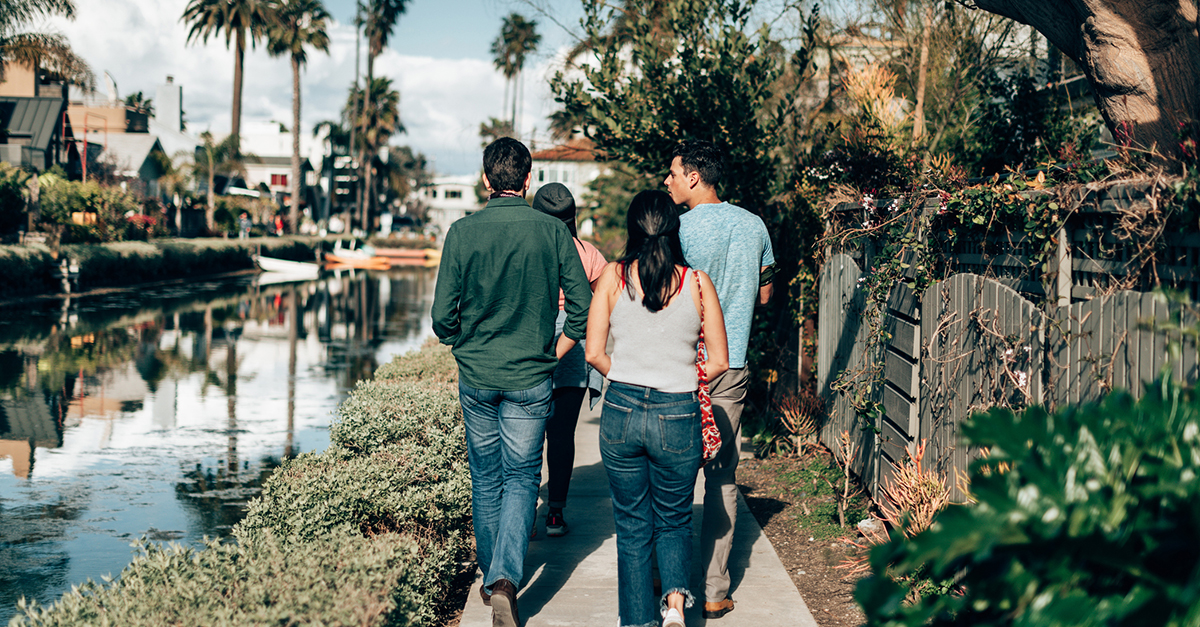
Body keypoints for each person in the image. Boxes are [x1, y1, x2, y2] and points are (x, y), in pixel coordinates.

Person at [432, 138, 593, 627]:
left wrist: (466, 343)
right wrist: (554, 354)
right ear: (528, 180)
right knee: (523, 476)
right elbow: (582, 310)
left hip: (478, 376)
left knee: (485, 476)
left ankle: (491, 576)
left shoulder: (461, 232)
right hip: (532, 376)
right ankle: (506, 578)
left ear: (486, 180)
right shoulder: (552, 233)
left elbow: (442, 320)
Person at [585, 190, 729, 627]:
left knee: (632, 528)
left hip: (622, 410)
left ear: (633, 229)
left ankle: (636, 622)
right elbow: (720, 361)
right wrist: (681, 381)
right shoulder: (697, 282)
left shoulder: (613, 276)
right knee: (674, 520)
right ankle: (674, 611)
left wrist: (628, 373)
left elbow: (593, 353)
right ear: (674, 228)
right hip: (677, 412)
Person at [664, 139, 775, 620]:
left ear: (693, 176)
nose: (666, 181)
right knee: (722, 476)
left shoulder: (675, 228)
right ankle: (713, 590)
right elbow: (766, 296)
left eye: (671, 173)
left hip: (680, 363)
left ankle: (667, 582)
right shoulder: (754, 226)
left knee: (671, 475)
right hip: (730, 366)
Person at [530, 182, 608, 538]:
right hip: (574, 346)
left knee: (526, 433)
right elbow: (607, 297)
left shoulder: (527, 247)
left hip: (533, 341)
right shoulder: (587, 252)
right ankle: (555, 514)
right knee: (561, 435)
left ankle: (524, 509)